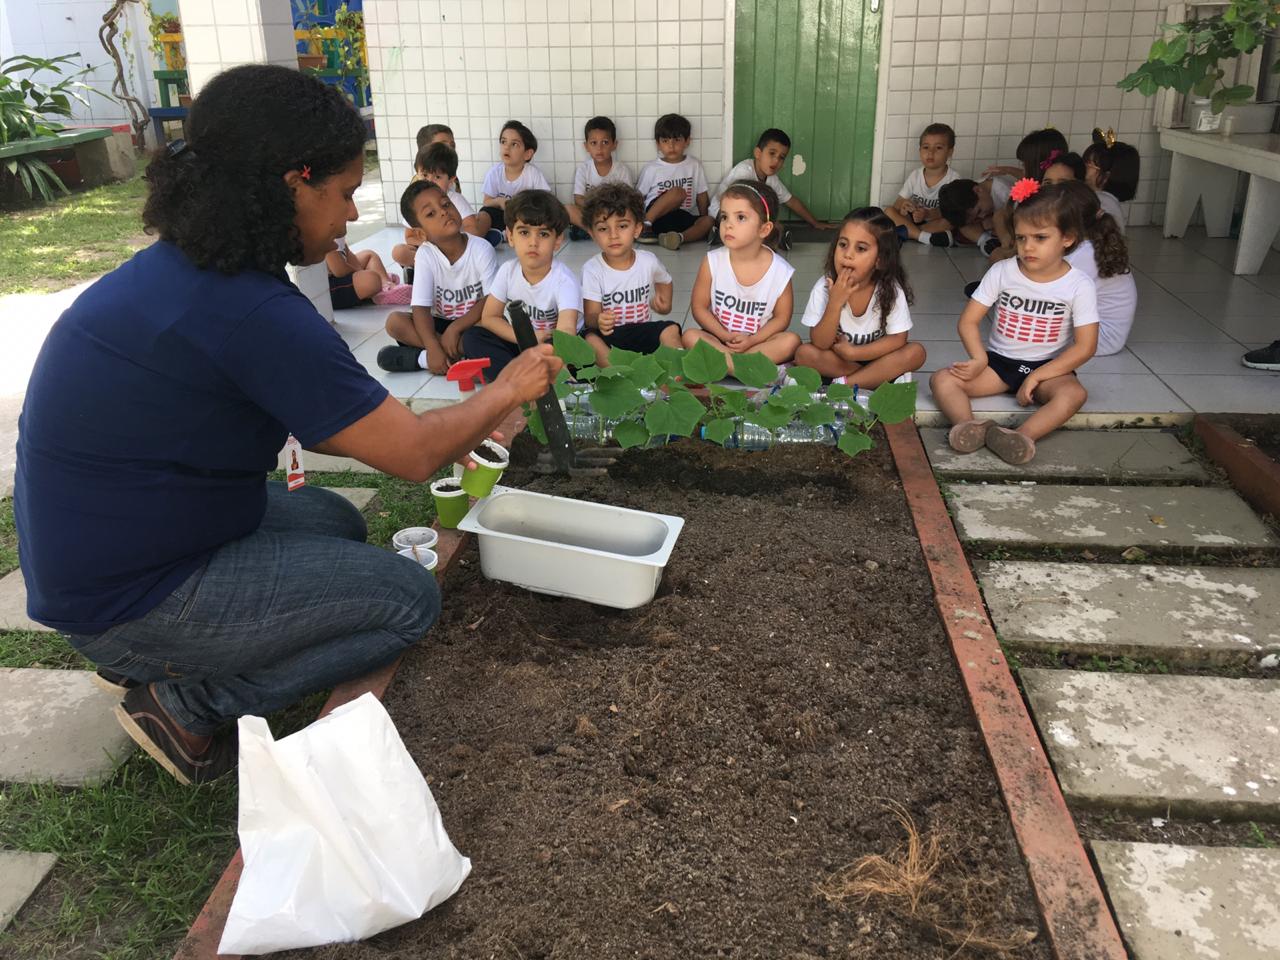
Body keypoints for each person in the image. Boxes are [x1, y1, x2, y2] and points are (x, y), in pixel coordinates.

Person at [12, 65, 561, 785]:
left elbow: (350, 421)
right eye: (341, 192)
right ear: (289, 184)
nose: (347, 213)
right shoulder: (252, 312)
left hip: (108, 547)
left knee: (333, 521)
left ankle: (155, 658)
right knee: (405, 599)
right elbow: (413, 454)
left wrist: (461, 412)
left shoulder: (196, 271)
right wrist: (505, 391)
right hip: (127, 596)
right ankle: (185, 702)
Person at [929, 180, 1098, 465]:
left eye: (1040, 238)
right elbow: (968, 322)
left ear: (1067, 238)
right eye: (1021, 238)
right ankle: (968, 425)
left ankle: (1019, 436)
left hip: (1049, 368)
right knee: (942, 379)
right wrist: (979, 358)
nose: (1028, 246)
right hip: (998, 364)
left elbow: (1086, 347)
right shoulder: (1002, 271)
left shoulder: (1079, 285)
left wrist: (1037, 376)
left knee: (1074, 394)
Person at [794, 207, 926, 388]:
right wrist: (835, 302)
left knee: (916, 352)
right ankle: (876, 379)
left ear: (880, 259)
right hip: (840, 361)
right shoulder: (824, 288)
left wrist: (854, 353)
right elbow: (820, 343)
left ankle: (845, 385)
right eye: (843, 244)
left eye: (861, 248)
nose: (848, 254)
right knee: (804, 354)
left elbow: (898, 339)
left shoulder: (889, 289)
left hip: (877, 357)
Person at [379, 180, 498, 374]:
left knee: (481, 335)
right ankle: (442, 356)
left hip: (474, 323)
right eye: (431, 214)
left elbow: (491, 300)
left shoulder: (481, 248)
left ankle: (422, 360)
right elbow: (421, 309)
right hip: (439, 324)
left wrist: (456, 328)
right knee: (395, 322)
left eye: (445, 204)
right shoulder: (425, 255)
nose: (443, 212)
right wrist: (433, 345)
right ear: (420, 233)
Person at [682, 181, 798, 376]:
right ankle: (746, 369)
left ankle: (726, 366)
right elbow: (699, 307)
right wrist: (723, 335)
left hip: (758, 343)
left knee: (791, 341)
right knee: (690, 336)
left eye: (741, 217)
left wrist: (753, 340)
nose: (728, 225)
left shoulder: (780, 271)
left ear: (764, 229)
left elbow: (782, 318)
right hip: (720, 340)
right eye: (725, 216)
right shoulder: (713, 261)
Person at [467, 190, 583, 377]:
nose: (533, 242)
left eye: (543, 234)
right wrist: (525, 338)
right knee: (473, 337)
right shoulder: (507, 271)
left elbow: (566, 331)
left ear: (558, 240)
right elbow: (489, 317)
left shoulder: (565, 280)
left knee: (582, 351)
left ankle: (529, 377)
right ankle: (513, 380)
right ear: (510, 236)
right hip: (523, 342)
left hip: (555, 346)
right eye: (524, 233)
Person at [579, 183, 677, 367]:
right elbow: (590, 315)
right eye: (603, 229)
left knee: (671, 329)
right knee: (589, 338)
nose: (613, 235)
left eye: (622, 225)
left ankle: (677, 374)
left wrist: (665, 304)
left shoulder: (648, 261)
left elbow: (665, 280)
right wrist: (599, 320)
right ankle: (618, 374)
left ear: (637, 229)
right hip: (611, 336)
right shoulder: (592, 269)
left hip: (641, 331)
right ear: (592, 234)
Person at [708, 128, 830, 248]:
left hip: (745, 216)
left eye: (781, 157)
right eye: (772, 153)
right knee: (758, 224)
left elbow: (791, 201)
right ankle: (723, 234)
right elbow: (734, 201)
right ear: (758, 153)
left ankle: (724, 236)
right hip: (723, 211)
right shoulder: (744, 171)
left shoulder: (771, 179)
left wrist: (815, 223)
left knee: (769, 225)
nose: (776, 160)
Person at [1059, 181, 1137, 357]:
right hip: (1097, 332)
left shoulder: (1084, 255)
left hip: (1099, 340)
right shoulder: (1089, 245)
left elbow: (1053, 296)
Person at [390, 142, 482, 277]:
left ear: (451, 179)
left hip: (454, 251)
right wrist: (431, 244)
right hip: (429, 252)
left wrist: (452, 241)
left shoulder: (455, 199)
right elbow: (409, 236)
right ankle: (421, 270)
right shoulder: (414, 202)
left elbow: (473, 229)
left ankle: (440, 272)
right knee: (398, 252)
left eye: (437, 177)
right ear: (417, 174)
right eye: (425, 175)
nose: (430, 181)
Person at [635, 113, 715, 250]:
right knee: (678, 192)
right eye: (665, 141)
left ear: (687, 141)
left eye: (677, 140)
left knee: (709, 221)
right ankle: (645, 226)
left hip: (681, 217)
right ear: (658, 144)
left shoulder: (694, 165)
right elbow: (637, 197)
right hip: (656, 216)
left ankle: (677, 238)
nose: (671, 146)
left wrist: (704, 221)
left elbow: (702, 196)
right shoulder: (652, 168)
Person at [883, 123, 961, 246]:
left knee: (950, 221)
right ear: (920, 150)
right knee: (889, 211)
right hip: (914, 221)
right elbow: (897, 205)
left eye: (938, 148)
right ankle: (925, 238)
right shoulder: (915, 175)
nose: (931, 153)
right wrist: (904, 208)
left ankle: (910, 234)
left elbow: (953, 212)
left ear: (950, 152)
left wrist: (928, 213)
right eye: (926, 147)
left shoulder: (954, 179)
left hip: (934, 223)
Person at [476, 120, 551, 243]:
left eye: (514, 144)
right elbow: (486, 201)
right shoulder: (494, 172)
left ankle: (503, 235)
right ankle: (477, 238)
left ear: (527, 154)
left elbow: (545, 201)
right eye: (503, 142)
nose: (506, 147)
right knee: (484, 214)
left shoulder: (532, 173)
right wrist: (499, 202)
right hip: (500, 215)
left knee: (536, 217)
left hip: (522, 216)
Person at [566, 116, 634, 241]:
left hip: (613, 215)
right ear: (586, 146)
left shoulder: (622, 170)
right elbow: (578, 199)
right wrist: (597, 208)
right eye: (594, 143)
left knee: (627, 213)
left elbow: (628, 199)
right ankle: (595, 231)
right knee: (568, 209)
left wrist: (608, 209)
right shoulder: (583, 169)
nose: (599, 148)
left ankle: (595, 231)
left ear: (614, 145)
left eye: (605, 142)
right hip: (592, 214)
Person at [1083, 127, 1140, 233]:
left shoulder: (1102, 203)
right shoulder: (1102, 198)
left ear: (1106, 176)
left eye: (1089, 164)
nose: (1083, 166)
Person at [326, 237, 409, 307]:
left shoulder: (337, 231)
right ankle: (378, 286)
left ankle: (386, 284)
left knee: (369, 255)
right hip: (328, 287)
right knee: (371, 279)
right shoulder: (325, 236)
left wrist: (360, 272)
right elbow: (340, 270)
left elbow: (348, 255)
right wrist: (363, 275)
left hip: (340, 272)